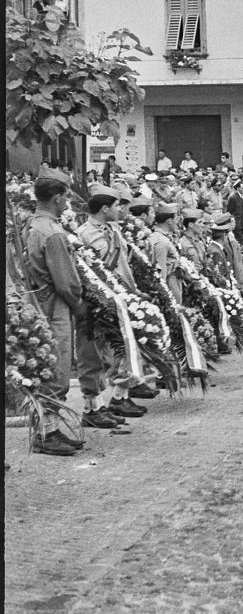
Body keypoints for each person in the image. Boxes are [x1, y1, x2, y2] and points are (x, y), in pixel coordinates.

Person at [23, 169, 87, 454]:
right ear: (57, 198)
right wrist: (79, 305)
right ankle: (47, 434)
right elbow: (66, 281)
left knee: (43, 368)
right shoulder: (53, 232)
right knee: (56, 370)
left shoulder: (30, 225)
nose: (67, 204)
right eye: (65, 198)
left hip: (36, 303)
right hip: (55, 307)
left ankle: (48, 429)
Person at [76, 184, 146, 422]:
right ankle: (92, 407)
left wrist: (132, 292)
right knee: (94, 354)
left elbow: (122, 265)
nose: (121, 209)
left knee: (122, 348)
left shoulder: (112, 229)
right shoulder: (84, 234)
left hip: (119, 298)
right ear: (105, 208)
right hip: (96, 304)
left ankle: (119, 396)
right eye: (117, 205)